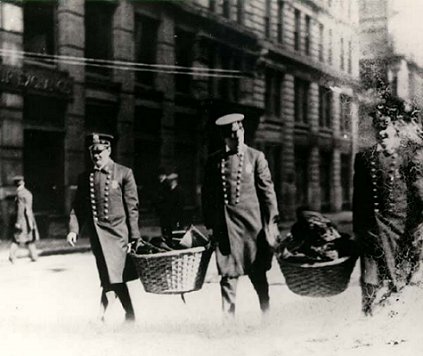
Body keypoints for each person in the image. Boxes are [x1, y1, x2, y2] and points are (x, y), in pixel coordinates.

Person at [201, 113, 280, 320]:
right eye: (231, 136)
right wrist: (210, 224)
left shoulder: (256, 157)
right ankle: (228, 321)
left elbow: (267, 193)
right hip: (226, 228)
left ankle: (266, 314)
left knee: (258, 274)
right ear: (224, 137)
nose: (236, 139)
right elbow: (207, 195)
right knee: (228, 276)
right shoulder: (214, 161)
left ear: (243, 131)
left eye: (239, 134)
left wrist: (271, 222)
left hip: (252, 229)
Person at [353, 100, 423, 316]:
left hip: (399, 229)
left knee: (397, 277)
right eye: (378, 127)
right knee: (369, 277)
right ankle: (368, 314)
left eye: (386, 127)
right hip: (372, 229)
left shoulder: (410, 155)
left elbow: (419, 191)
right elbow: (359, 198)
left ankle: (395, 321)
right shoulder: (364, 157)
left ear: (396, 127)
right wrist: (358, 230)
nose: (382, 131)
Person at [66, 133, 141, 322]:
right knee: (108, 276)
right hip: (98, 236)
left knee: (114, 275)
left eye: (99, 151)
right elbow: (78, 207)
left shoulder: (124, 173)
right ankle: (128, 314)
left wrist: (135, 236)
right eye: (93, 152)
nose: (96, 155)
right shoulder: (85, 177)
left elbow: (132, 208)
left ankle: (103, 315)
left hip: (118, 235)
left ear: (108, 150)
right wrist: (73, 230)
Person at [9, 175, 39, 263]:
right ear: (23, 182)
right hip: (29, 219)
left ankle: (11, 255)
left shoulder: (20, 194)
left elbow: (20, 209)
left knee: (17, 238)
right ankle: (34, 256)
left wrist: (18, 222)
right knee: (29, 237)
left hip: (23, 220)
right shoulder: (27, 192)